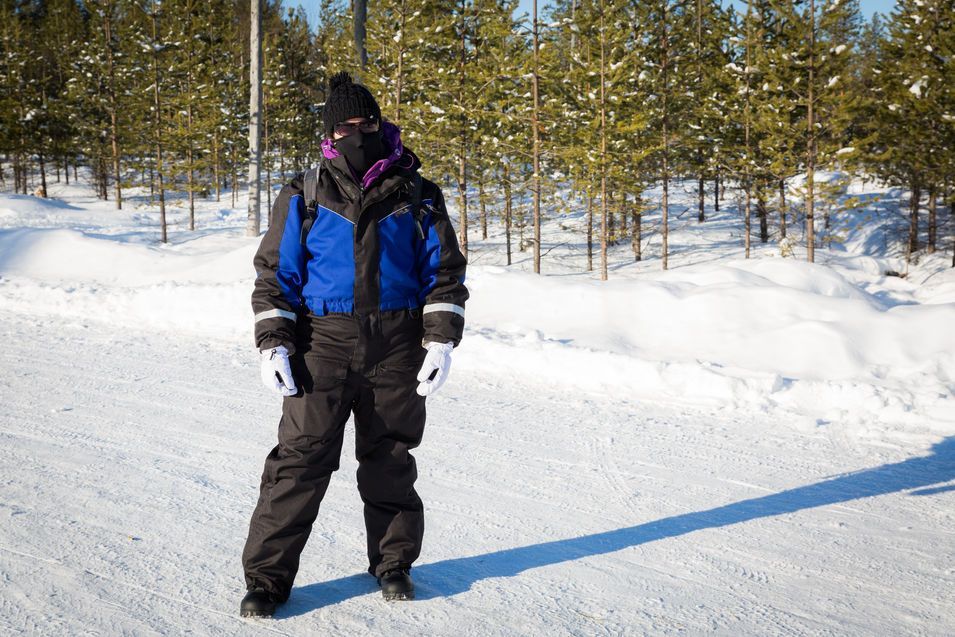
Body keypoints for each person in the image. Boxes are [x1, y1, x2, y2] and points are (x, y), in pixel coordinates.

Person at [239, 71, 468, 618]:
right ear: (330, 132)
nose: (358, 133)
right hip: (322, 344)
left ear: (381, 123)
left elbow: (444, 274)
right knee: (299, 462)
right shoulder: (305, 192)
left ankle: (393, 564)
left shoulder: (417, 193)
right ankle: (267, 580)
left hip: (397, 345)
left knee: (390, 458)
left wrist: (440, 341)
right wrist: (274, 342)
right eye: (346, 126)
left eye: (367, 122)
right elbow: (275, 276)